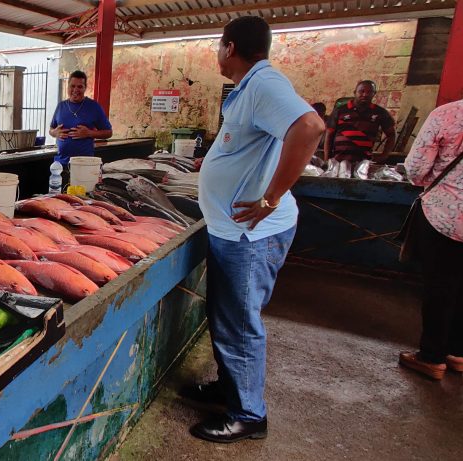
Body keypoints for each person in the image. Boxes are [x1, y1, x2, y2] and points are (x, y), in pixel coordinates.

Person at [187, 16, 325, 443]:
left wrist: (270, 198)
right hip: (233, 231)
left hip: (249, 235)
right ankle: (232, 388)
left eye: (217, 46)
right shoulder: (249, 88)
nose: (216, 54)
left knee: (240, 322)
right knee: (225, 315)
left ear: (230, 48)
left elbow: (310, 127)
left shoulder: (263, 84)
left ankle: (248, 414)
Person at [397, 50, 463, 380]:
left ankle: (432, 356)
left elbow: (415, 170)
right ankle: (457, 353)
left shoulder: (449, 114)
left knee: (441, 285)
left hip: (444, 219)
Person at [48, 70, 113, 169]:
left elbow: (109, 133)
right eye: (72, 86)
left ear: (85, 88)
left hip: (84, 165)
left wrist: (89, 133)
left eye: (80, 87)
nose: (75, 90)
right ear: (68, 86)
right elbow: (51, 129)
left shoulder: (93, 107)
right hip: (61, 165)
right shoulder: (61, 106)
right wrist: (55, 133)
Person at [324, 80, 396, 164]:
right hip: (338, 161)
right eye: (361, 91)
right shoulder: (340, 110)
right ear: (355, 92)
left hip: (363, 163)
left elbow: (391, 134)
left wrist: (384, 155)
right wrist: (327, 159)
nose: (365, 94)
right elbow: (329, 134)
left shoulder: (380, 112)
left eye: (369, 92)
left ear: (374, 94)